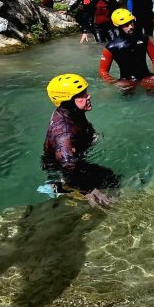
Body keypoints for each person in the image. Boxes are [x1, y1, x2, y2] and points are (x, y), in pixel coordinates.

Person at [42, 74, 118, 207]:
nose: (88, 96)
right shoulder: (63, 133)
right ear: (68, 100)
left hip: (71, 160)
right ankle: (63, 192)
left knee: (110, 177)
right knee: (111, 178)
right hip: (63, 170)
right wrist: (89, 189)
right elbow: (67, 165)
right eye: (82, 95)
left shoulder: (70, 111)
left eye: (86, 92)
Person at [99, 9, 154, 84]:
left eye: (131, 22)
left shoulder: (144, 38)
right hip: (126, 82)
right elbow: (103, 71)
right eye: (126, 25)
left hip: (147, 78)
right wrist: (114, 83)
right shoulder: (111, 47)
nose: (130, 27)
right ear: (118, 27)